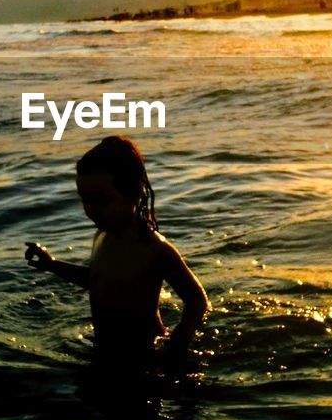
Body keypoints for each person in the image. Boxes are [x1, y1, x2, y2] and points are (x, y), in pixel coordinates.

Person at [25, 135, 209, 372]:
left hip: (144, 357)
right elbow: (99, 281)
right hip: (105, 350)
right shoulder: (102, 236)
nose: (91, 209)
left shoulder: (154, 250)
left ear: (133, 193)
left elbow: (196, 300)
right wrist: (53, 265)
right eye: (85, 200)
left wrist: (177, 344)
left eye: (101, 200)